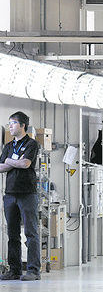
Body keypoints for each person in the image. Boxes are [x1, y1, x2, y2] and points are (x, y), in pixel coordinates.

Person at [0, 112, 40, 281]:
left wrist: (10, 162)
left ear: (23, 125)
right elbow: (1, 167)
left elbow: (26, 163)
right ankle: (14, 270)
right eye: (9, 123)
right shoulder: (8, 146)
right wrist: (11, 161)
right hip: (10, 195)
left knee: (31, 233)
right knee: (13, 234)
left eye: (13, 123)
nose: (10, 126)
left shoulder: (32, 144)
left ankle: (33, 271)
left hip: (27, 195)